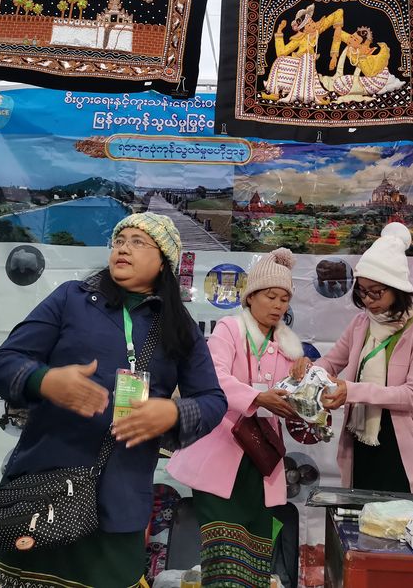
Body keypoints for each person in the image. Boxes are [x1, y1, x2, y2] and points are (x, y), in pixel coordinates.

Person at [0, 212, 227, 588]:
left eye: (138, 242)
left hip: (120, 504)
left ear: (163, 262)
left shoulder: (179, 327)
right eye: (119, 240)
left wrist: (173, 412)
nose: (123, 248)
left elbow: (213, 400)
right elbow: (4, 361)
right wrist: (44, 380)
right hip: (43, 490)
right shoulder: (71, 299)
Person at [168, 248, 305, 588]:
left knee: (255, 565)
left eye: (284, 299)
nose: (278, 305)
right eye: (270, 296)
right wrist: (257, 397)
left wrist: (308, 382)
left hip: (261, 463)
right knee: (224, 563)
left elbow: (296, 400)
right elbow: (212, 377)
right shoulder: (230, 329)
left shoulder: (290, 348)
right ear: (251, 297)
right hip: (221, 456)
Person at [293, 222, 413, 493]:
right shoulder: (360, 323)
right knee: (363, 513)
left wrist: (351, 391)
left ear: (397, 288)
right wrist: (310, 369)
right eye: (362, 291)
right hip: (362, 442)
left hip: (406, 448)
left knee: (405, 515)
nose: (368, 300)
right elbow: (332, 363)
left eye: (376, 292)